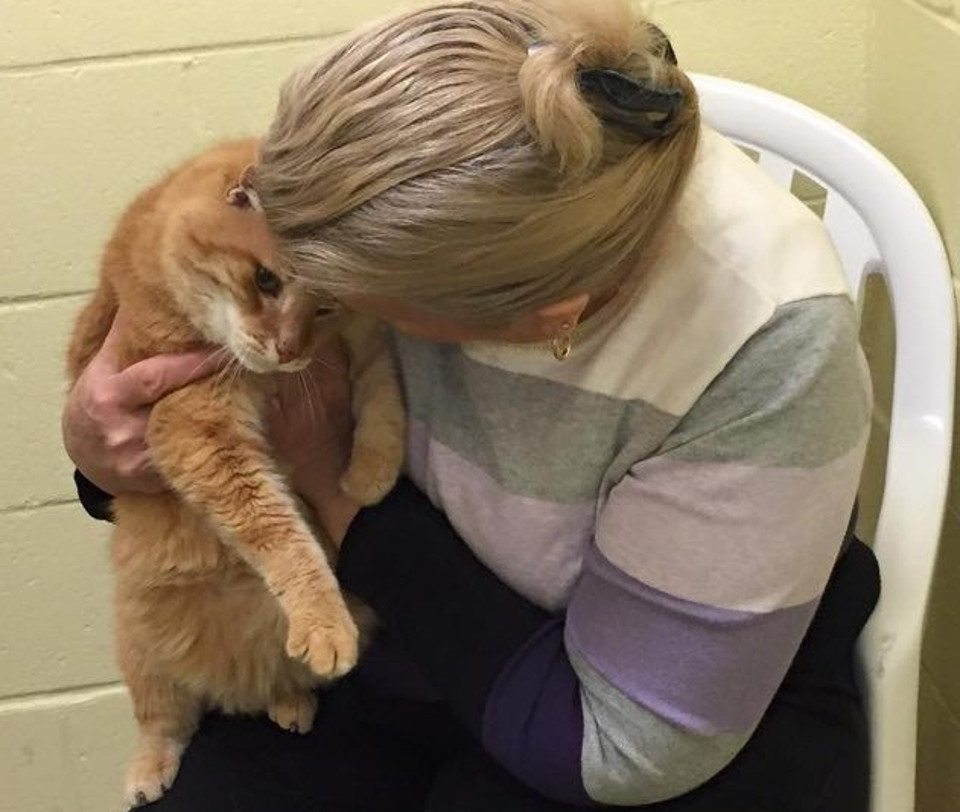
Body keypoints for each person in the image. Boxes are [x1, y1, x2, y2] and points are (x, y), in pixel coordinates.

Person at [63, 1, 880, 810]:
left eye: (352, 300)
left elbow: (622, 749)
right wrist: (103, 457)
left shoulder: (768, 341)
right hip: (388, 649)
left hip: (625, 722)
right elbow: (186, 382)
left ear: (544, 321)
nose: (307, 327)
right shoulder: (440, 119)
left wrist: (326, 482)